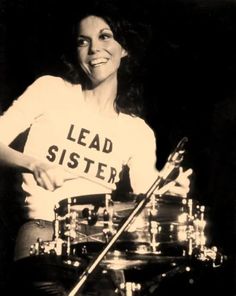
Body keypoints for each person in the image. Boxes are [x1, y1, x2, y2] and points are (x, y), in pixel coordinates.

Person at [0, 1, 192, 295]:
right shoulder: (50, 90)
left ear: (124, 48)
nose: (94, 50)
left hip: (99, 244)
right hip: (43, 231)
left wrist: (169, 188)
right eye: (83, 41)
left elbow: (144, 191)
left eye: (105, 36)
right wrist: (34, 163)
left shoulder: (137, 130)